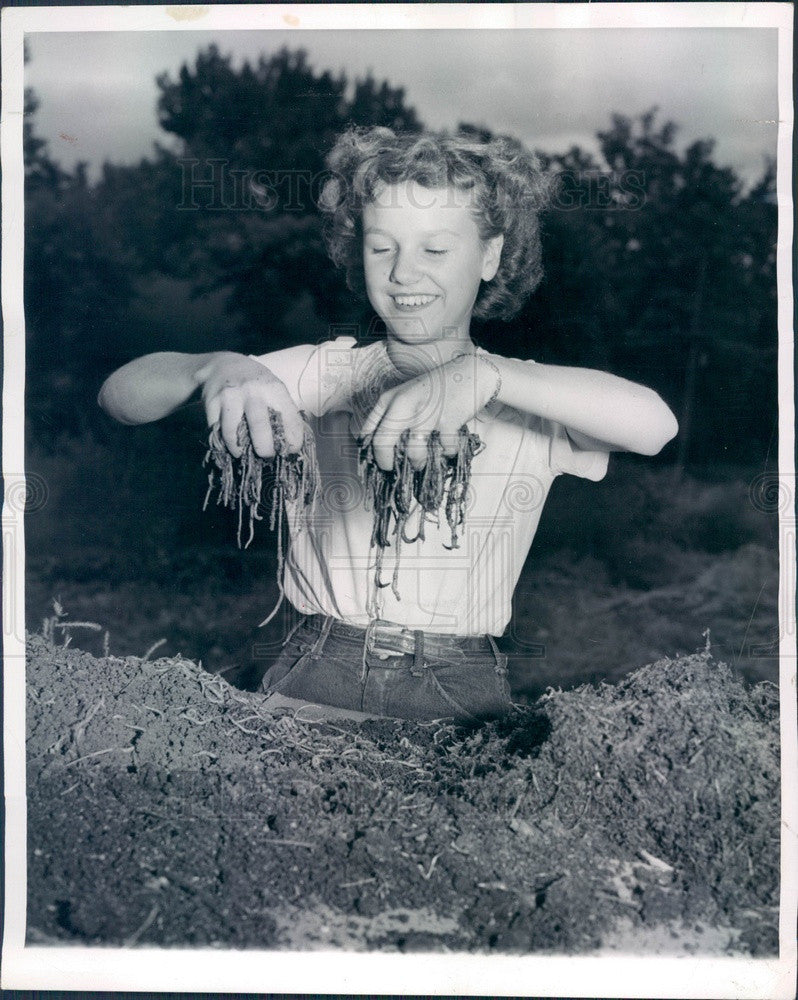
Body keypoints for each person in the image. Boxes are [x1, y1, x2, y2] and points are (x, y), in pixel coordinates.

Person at [98, 126, 678, 723]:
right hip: (313, 669)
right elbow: (119, 395)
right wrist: (215, 368)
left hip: (460, 688)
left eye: (435, 249)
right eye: (383, 248)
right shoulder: (325, 372)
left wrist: (490, 377)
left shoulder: (532, 396)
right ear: (357, 250)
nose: (404, 274)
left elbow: (654, 425)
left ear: (490, 256)